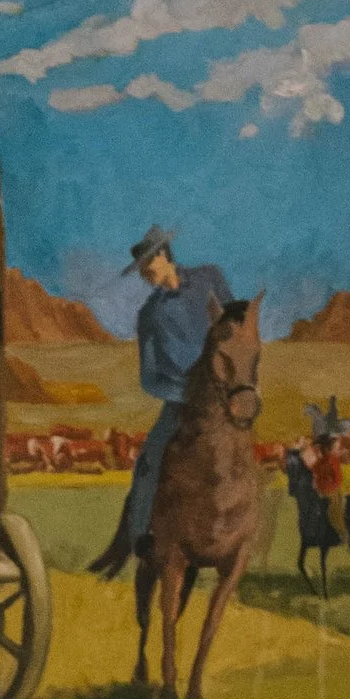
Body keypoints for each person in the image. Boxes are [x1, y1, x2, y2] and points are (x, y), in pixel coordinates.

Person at [92, 226, 237, 577]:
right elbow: (149, 378)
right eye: (141, 271)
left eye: (146, 266)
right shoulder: (149, 315)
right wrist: (185, 396)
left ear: (163, 255)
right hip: (180, 404)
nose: (144, 275)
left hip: (222, 398)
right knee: (149, 458)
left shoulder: (209, 279)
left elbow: (233, 329)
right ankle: (141, 534)